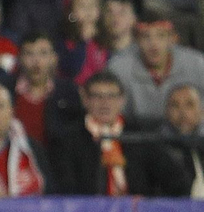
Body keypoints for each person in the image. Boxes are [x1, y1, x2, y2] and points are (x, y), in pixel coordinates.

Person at [47, 70, 189, 196]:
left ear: (122, 100)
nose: (105, 103)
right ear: (85, 99)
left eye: (111, 96)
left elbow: (177, 181)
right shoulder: (67, 140)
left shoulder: (139, 136)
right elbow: (65, 190)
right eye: (97, 96)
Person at [107, 18, 204, 124]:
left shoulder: (197, 64)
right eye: (146, 36)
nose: (153, 44)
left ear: (173, 39)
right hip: (135, 130)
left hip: (191, 131)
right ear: (136, 41)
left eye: (161, 36)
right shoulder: (119, 68)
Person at [12, 32, 81, 144]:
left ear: (54, 58)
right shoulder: (6, 90)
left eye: (43, 53)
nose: (36, 61)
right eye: (29, 54)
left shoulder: (68, 92)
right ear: (20, 58)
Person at [161, 83, 204, 197]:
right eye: (175, 105)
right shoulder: (154, 150)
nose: (183, 112)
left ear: (202, 112)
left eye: (189, 105)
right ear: (166, 112)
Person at [56, 0, 106, 84]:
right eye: (82, 5)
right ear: (71, 12)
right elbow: (72, 70)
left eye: (92, 5)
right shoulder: (64, 41)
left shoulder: (105, 40)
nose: (88, 10)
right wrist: (83, 40)